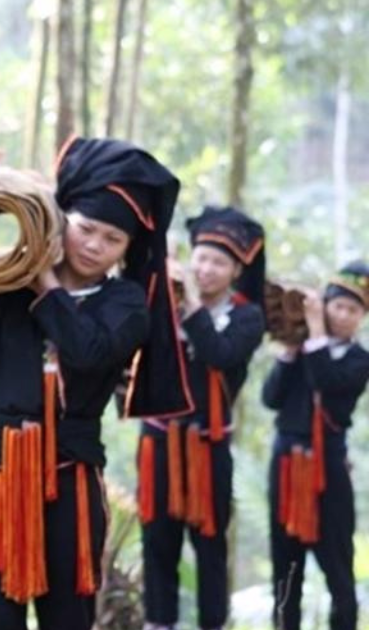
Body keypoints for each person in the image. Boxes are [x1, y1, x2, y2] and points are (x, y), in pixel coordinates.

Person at [0, 137, 181, 630]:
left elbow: (87, 353)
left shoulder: (128, 303)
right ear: (61, 218)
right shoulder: (9, 289)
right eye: (86, 228)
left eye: (113, 239)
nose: (95, 245)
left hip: (70, 478)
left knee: (68, 615)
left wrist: (45, 284)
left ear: (129, 249)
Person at [137, 206, 266, 630]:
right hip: (159, 441)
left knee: (210, 545)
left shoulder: (247, 316)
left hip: (209, 447)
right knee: (157, 541)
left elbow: (219, 354)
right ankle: (159, 623)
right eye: (202, 258)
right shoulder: (161, 303)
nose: (207, 269)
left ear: (235, 271)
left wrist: (190, 303)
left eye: (219, 262)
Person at [263, 261, 369, 630]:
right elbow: (270, 398)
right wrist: (291, 349)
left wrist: (316, 333)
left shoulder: (360, 361)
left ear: (362, 317)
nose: (342, 314)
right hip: (286, 462)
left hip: (328, 469)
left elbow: (327, 380)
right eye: (336, 305)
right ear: (325, 304)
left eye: (352, 310)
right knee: (285, 564)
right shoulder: (304, 347)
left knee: (337, 561)